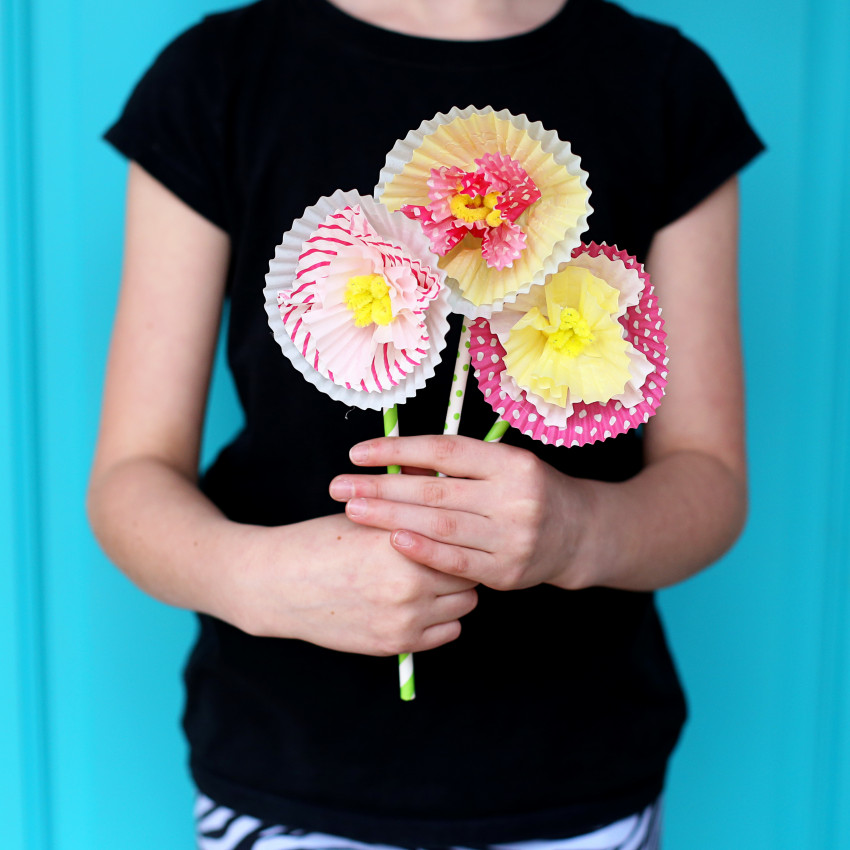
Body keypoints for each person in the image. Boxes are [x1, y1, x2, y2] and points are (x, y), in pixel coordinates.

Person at [88, 0, 764, 847]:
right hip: (281, 768)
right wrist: (253, 580)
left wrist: (578, 531)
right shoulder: (215, 77)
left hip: (578, 776)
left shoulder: (667, 87)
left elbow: (710, 480)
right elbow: (129, 478)